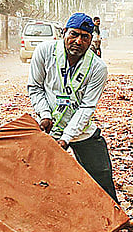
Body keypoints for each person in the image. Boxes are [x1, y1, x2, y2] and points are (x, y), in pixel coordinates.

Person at [28, 13, 117, 202]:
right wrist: (44, 114)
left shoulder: (97, 67)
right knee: (37, 177)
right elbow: (35, 87)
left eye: (85, 37)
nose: (78, 41)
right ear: (64, 33)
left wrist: (67, 138)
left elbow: (87, 107)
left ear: (91, 40)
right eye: (74, 34)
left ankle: (113, 217)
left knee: (101, 175)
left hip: (80, 130)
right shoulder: (44, 52)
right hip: (48, 127)